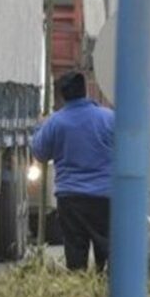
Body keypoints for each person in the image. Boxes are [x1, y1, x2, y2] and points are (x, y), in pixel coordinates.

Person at [31, 71, 114, 271]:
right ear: (85, 91)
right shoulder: (109, 118)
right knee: (109, 251)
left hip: (71, 198)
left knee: (76, 253)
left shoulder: (56, 122)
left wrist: (38, 128)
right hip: (106, 197)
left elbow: (40, 153)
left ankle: (79, 292)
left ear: (61, 96)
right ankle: (105, 291)